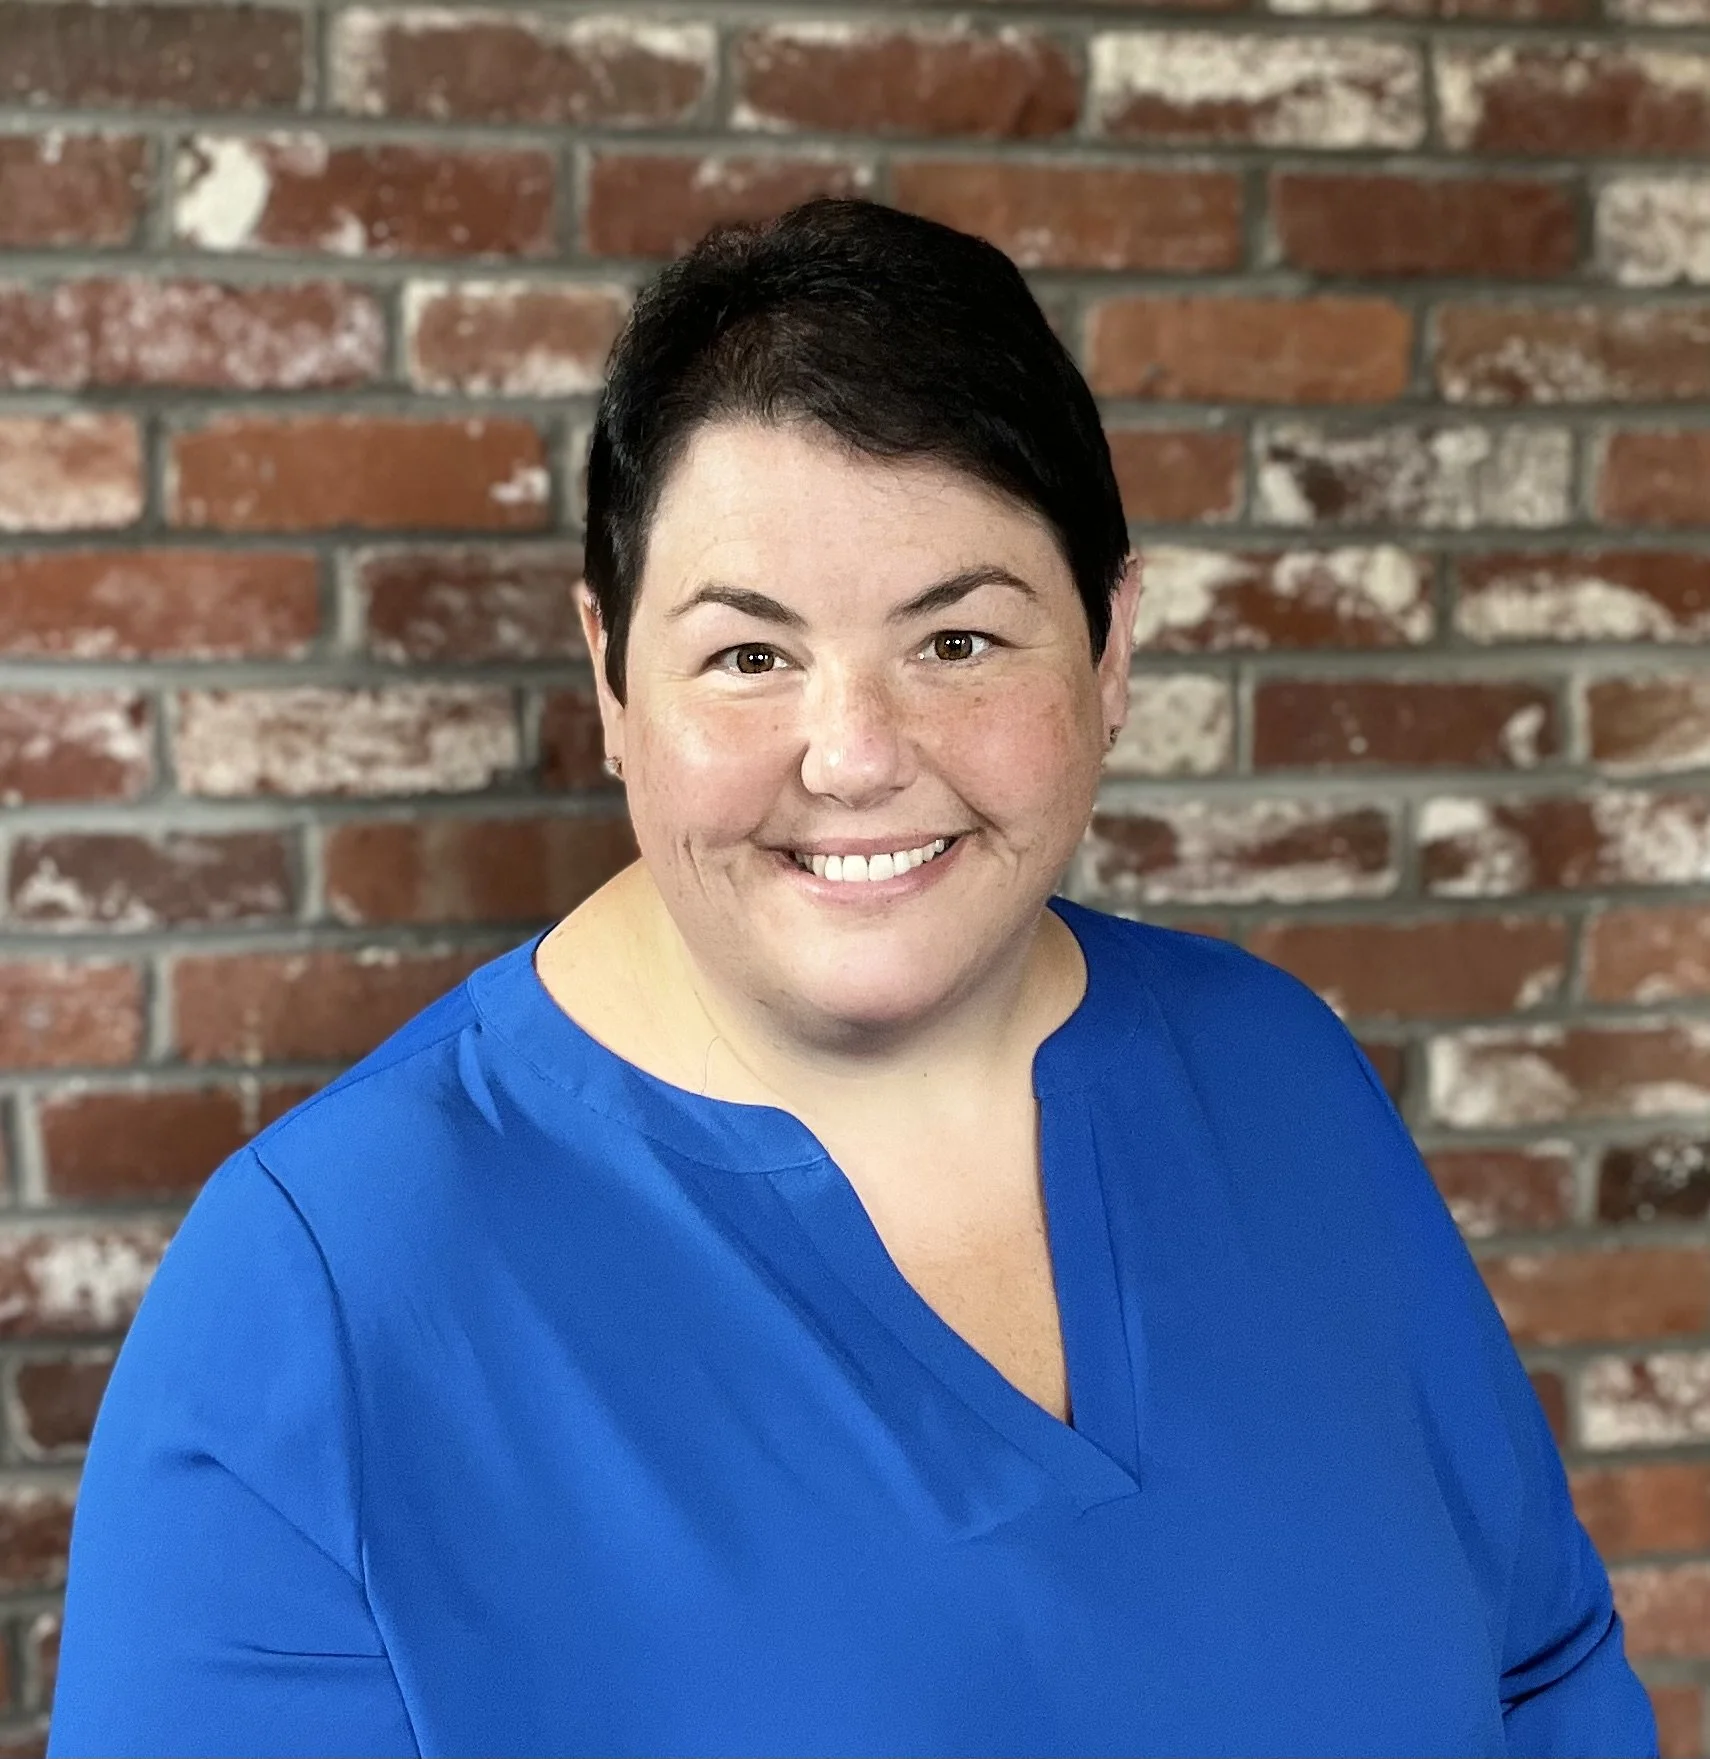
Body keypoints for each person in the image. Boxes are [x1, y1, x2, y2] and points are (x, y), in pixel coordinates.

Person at [48, 197, 1656, 1758]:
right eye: (749, 653)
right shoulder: (321, 1295)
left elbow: (1544, 1666)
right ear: (609, 675)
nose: (858, 754)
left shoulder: (1272, 1070)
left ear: (1109, 648)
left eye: (957, 641)